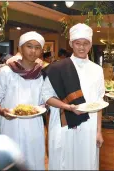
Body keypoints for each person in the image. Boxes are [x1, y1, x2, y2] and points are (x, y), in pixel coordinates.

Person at [42, 23, 105, 170]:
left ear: (90, 44)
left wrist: (99, 131)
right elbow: (46, 96)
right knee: (64, 161)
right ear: (71, 44)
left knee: (86, 162)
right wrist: (67, 107)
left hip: (89, 124)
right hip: (64, 122)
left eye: (86, 43)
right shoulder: (57, 68)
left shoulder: (97, 70)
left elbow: (99, 102)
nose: (82, 47)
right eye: (78, 43)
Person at [0, 31, 46, 170]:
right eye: (29, 46)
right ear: (20, 48)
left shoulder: (42, 74)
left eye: (37, 47)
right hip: (10, 124)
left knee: (34, 160)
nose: (33, 51)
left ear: (41, 51)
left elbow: (44, 101)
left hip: (34, 125)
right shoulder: (6, 72)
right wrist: (2, 111)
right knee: (12, 160)